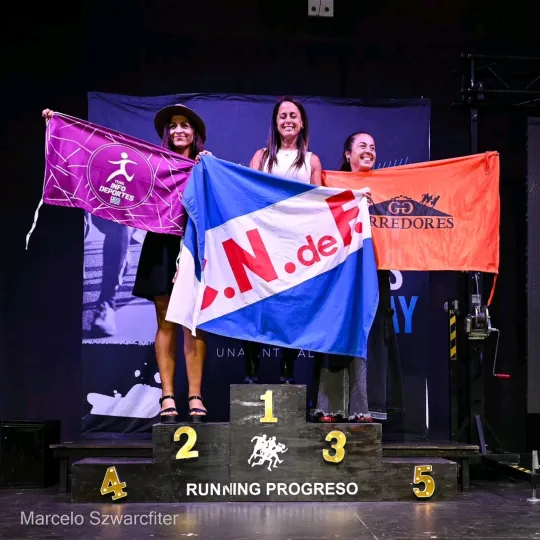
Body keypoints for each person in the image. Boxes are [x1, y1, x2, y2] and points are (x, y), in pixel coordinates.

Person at [312, 131, 405, 425]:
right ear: (347, 154)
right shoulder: (332, 184)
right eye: (362, 146)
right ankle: (329, 406)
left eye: (373, 147)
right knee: (337, 330)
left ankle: (364, 407)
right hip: (341, 269)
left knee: (370, 332)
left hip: (375, 270)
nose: (369, 151)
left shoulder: (387, 188)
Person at [132, 104, 211, 424]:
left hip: (194, 245)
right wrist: (57, 122)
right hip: (161, 244)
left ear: (195, 133)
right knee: (165, 322)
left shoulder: (206, 164)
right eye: (173, 126)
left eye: (185, 125)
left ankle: (195, 395)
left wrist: (208, 171)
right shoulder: (154, 163)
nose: (179, 130)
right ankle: (167, 396)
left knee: (193, 322)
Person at [243, 95, 322, 384]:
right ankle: (251, 370)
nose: (288, 120)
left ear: (302, 123)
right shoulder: (261, 156)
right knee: (257, 307)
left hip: (296, 246)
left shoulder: (312, 161)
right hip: (263, 244)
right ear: (275, 123)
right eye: (282, 116)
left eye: (293, 116)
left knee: (292, 308)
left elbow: (319, 204)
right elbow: (247, 193)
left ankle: (287, 370)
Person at [41, 109, 134, 337]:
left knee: (119, 226)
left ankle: (106, 303)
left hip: (110, 192)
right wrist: (54, 124)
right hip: (72, 184)